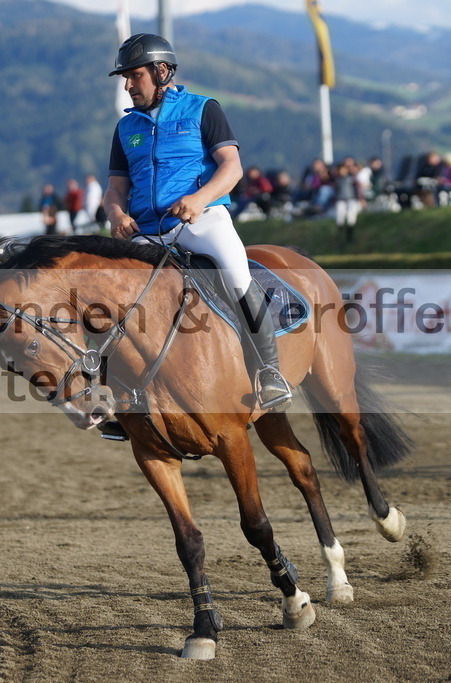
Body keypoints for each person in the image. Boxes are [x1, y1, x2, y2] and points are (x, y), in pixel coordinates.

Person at [103, 33, 292, 412]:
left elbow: (232, 167)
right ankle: (118, 392)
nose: (127, 85)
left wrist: (200, 198)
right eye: (124, 77)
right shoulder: (126, 128)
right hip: (147, 232)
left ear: (160, 71)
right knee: (112, 294)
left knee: (237, 276)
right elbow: (115, 189)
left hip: (201, 220)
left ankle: (270, 373)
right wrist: (117, 215)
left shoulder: (204, 109)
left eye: (133, 75)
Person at [333, 161, 360, 248]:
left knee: (350, 218)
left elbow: (358, 189)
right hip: (341, 200)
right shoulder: (337, 180)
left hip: (351, 200)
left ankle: (350, 238)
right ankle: (341, 238)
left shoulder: (351, 179)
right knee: (340, 219)